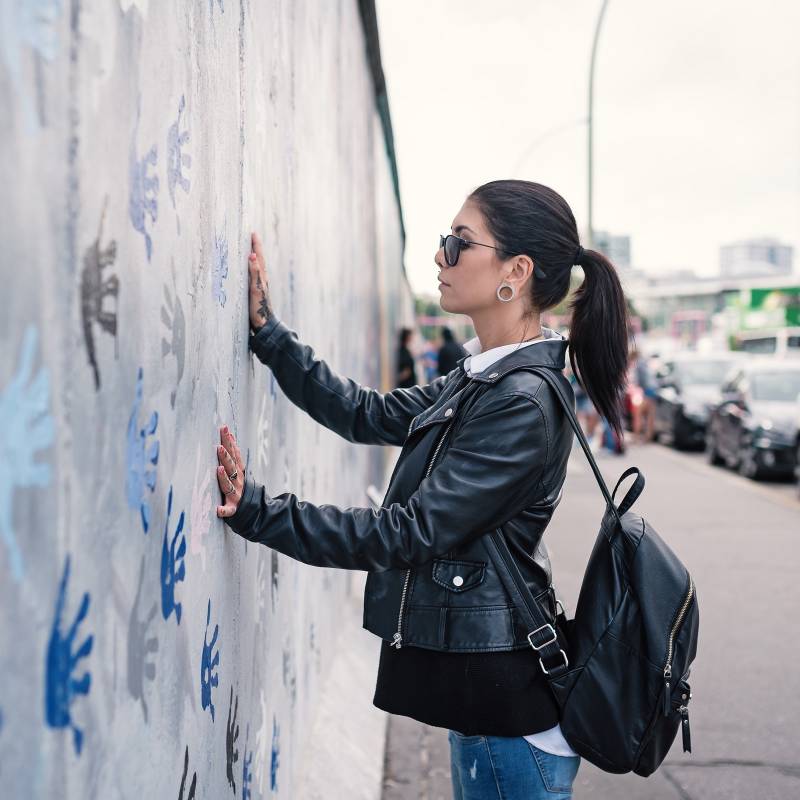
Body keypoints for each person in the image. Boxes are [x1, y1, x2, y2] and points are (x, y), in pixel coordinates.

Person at [215, 180, 629, 800]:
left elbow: (407, 532)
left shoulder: (521, 403)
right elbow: (367, 413)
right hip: (488, 703)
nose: (440, 256)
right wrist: (269, 335)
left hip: (508, 720)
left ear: (514, 271)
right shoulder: (483, 379)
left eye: (458, 243)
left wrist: (259, 512)